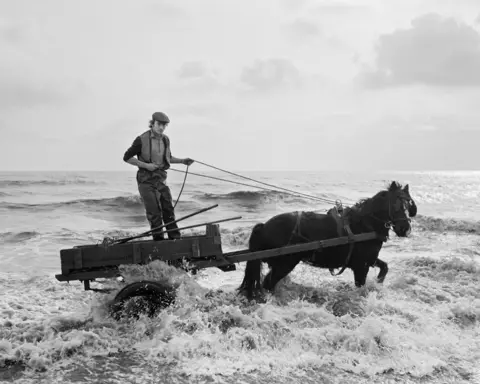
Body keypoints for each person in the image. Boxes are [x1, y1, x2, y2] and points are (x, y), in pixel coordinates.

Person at [123, 111, 194, 240]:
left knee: (168, 210)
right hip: (145, 180)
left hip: (160, 179)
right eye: (159, 124)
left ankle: (175, 240)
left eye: (164, 125)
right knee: (154, 213)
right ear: (153, 123)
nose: (161, 128)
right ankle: (159, 243)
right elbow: (126, 158)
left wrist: (183, 161)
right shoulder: (141, 139)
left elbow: (168, 158)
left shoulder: (166, 140)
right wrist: (146, 165)